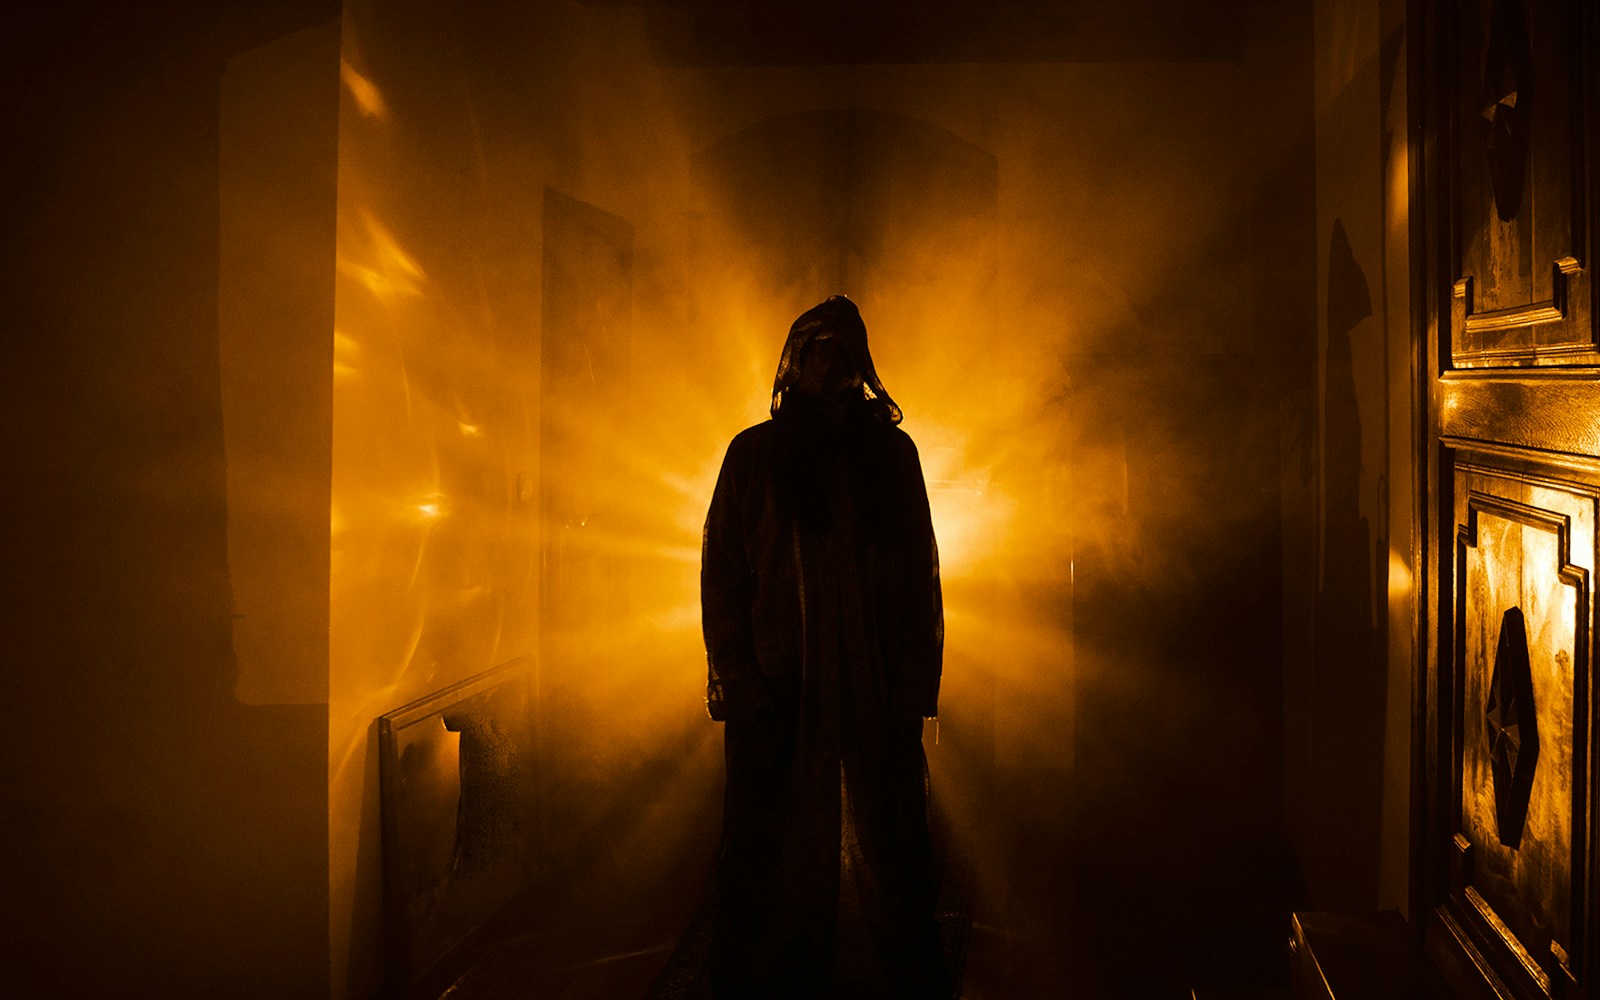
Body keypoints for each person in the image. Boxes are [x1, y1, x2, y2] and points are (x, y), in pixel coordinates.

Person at [701, 296, 948, 999]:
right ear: (793, 361)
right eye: (815, 349)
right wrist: (742, 683)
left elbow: (921, 577)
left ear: (860, 363)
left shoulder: (893, 458)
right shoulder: (754, 455)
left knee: (890, 832)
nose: (828, 363)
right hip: (782, 685)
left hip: (873, 681)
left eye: (841, 350)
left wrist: (911, 685)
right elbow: (722, 573)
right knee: (769, 837)